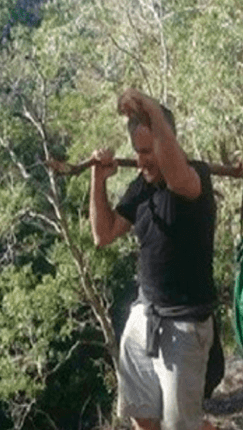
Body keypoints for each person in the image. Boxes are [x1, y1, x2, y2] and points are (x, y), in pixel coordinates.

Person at [89, 88, 219, 430]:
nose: (143, 160)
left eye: (150, 151)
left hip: (185, 326)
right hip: (145, 315)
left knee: (181, 426)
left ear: (168, 142)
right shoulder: (141, 186)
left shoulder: (195, 177)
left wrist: (150, 108)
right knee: (142, 415)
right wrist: (98, 181)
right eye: (138, 151)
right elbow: (103, 235)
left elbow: (178, 179)